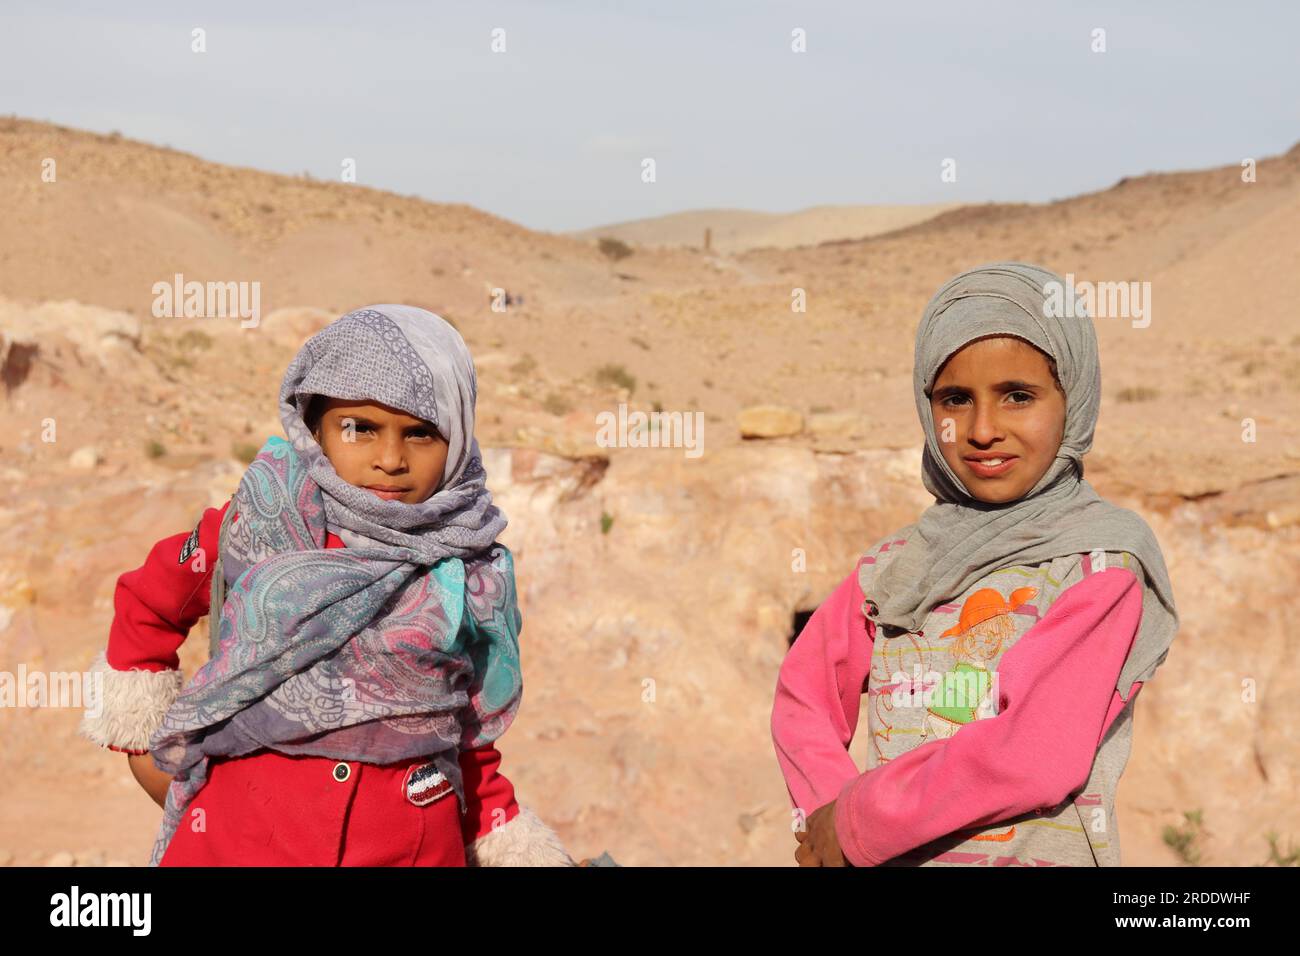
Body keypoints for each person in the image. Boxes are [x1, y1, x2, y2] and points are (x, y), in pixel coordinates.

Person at [80, 304, 574, 867]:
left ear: (458, 439)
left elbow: (468, 739)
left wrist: (507, 838)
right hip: (241, 844)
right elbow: (150, 601)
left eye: (421, 433)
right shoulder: (259, 521)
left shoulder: (471, 567)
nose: (390, 459)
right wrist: (142, 734)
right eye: (359, 428)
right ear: (315, 427)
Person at [771, 263, 1179, 867]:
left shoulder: (1099, 567)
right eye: (955, 399)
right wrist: (831, 817)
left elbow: (1035, 757)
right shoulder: (893, 568)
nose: (983, 430)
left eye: (1019, 396)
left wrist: (860, 819)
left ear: (1076, 400)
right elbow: (804, 694)